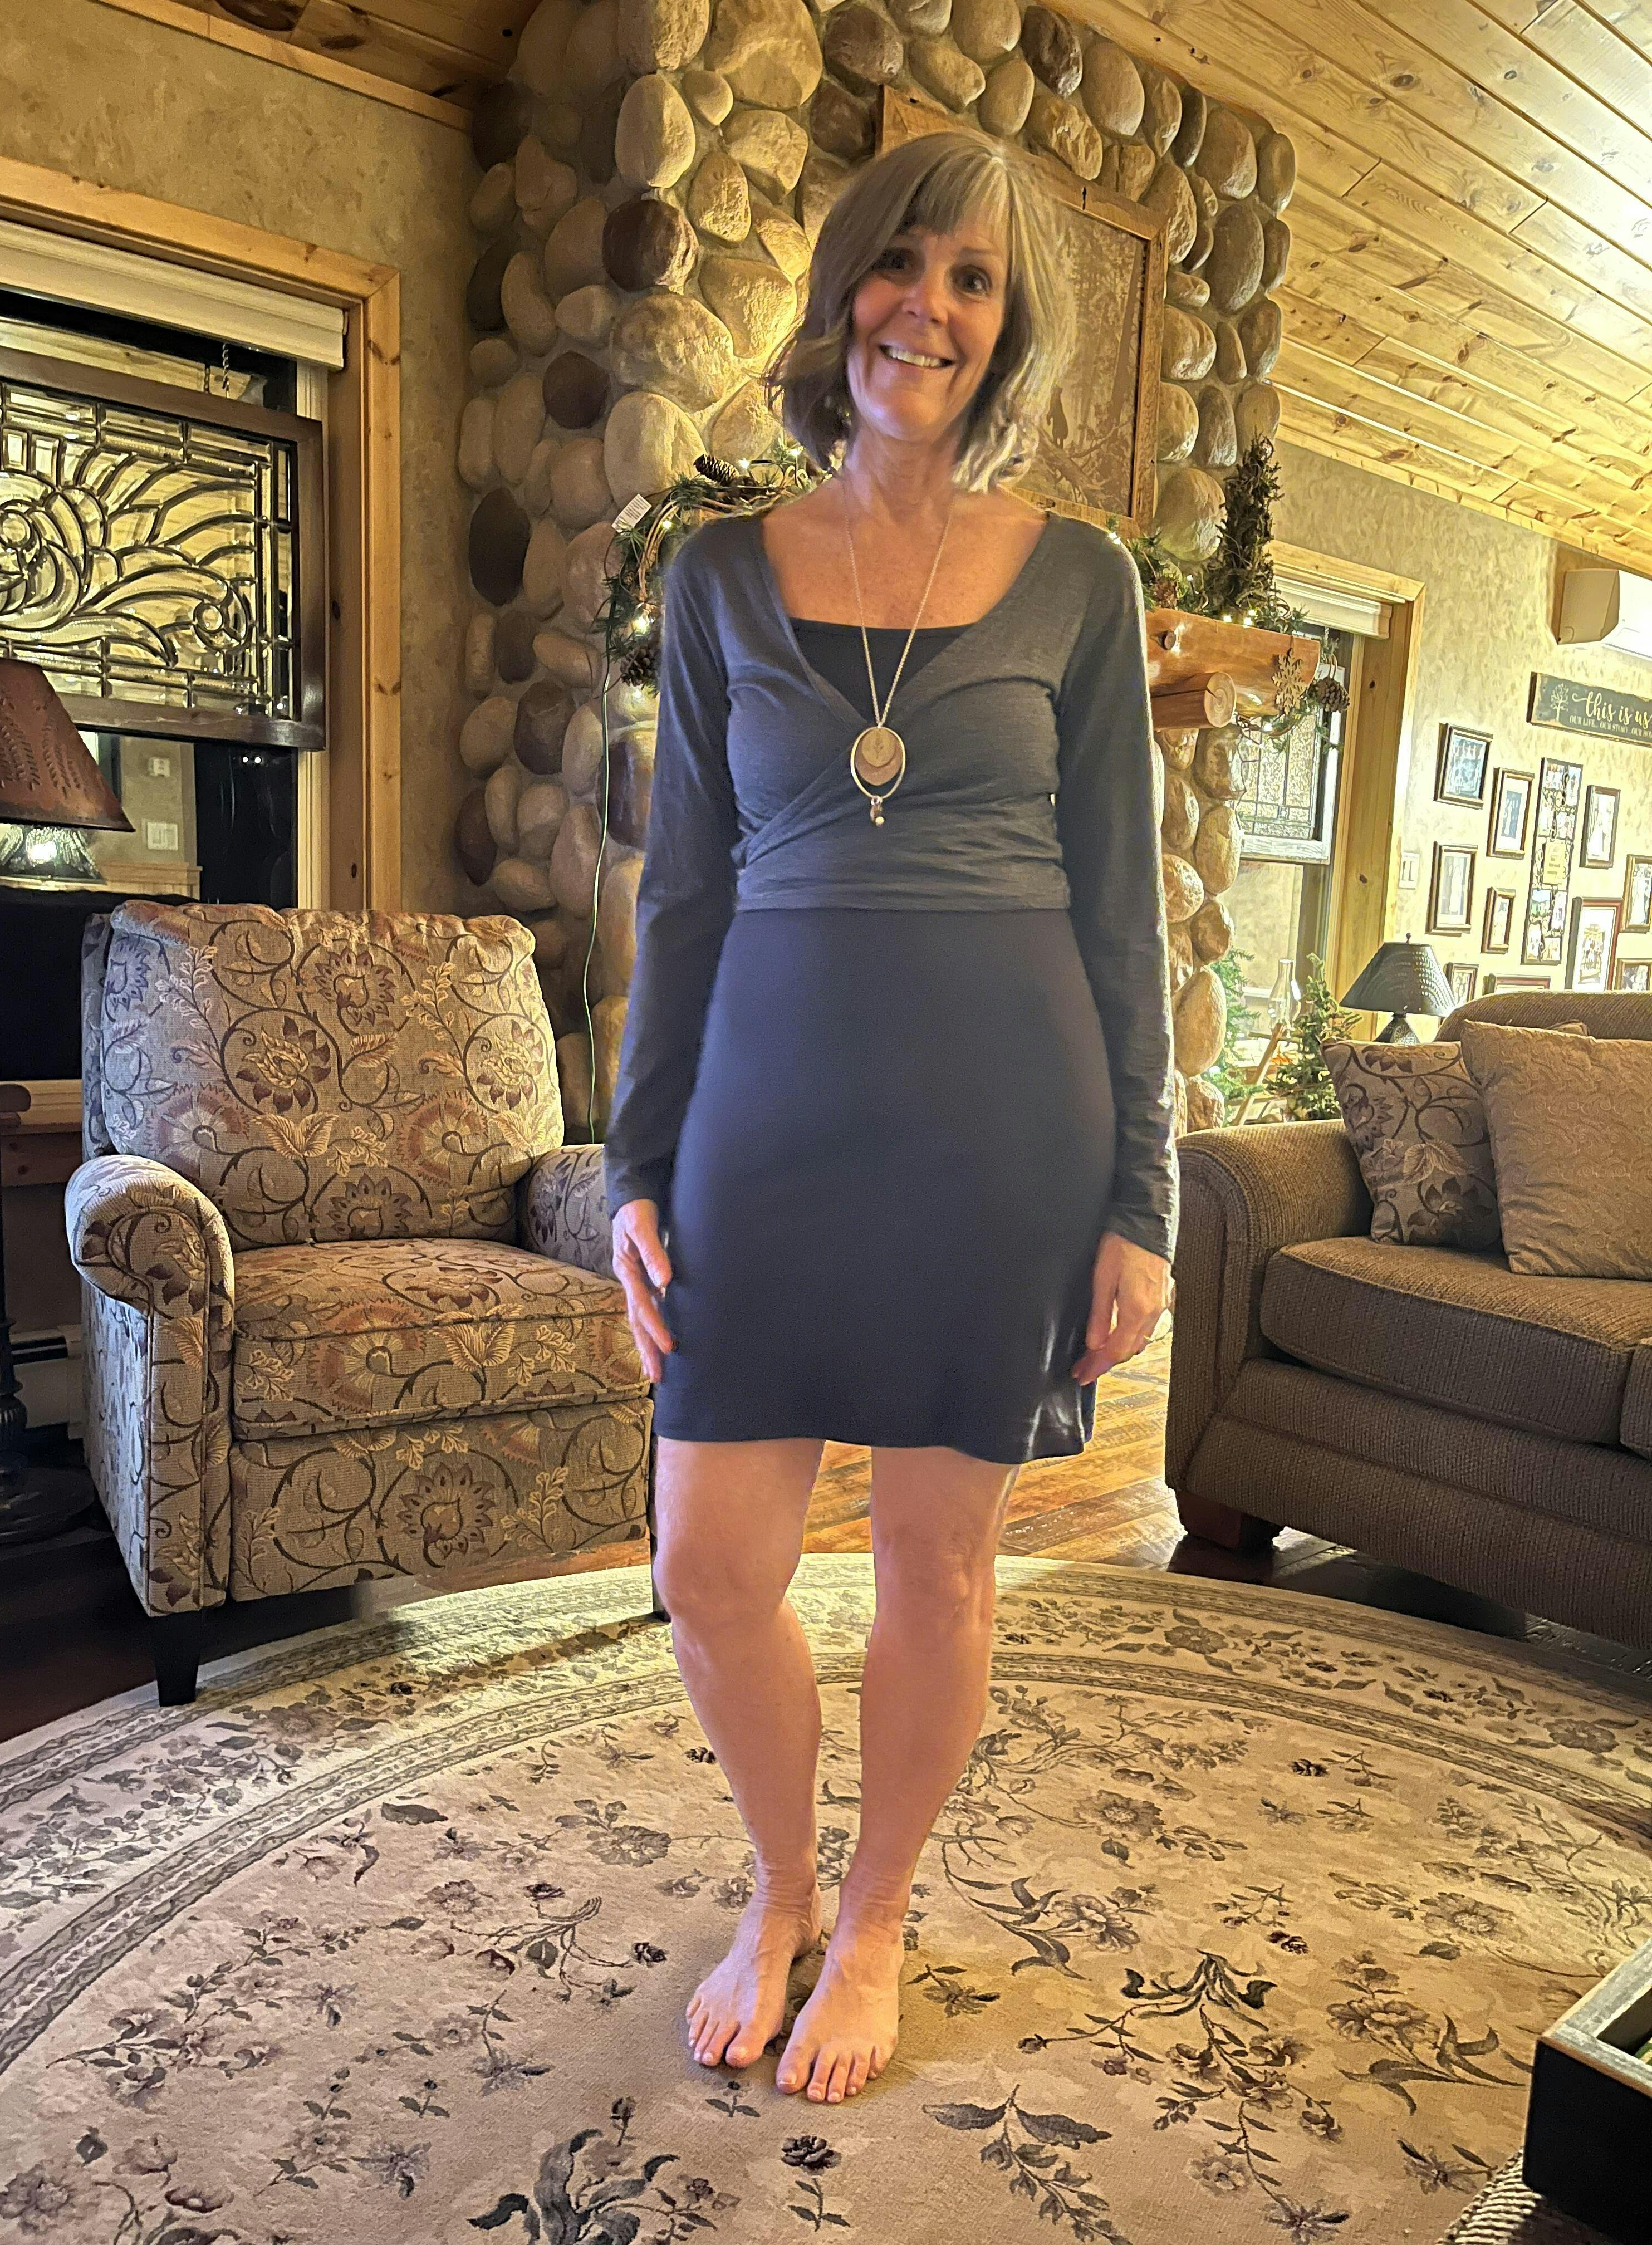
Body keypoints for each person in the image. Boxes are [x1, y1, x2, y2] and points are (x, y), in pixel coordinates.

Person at [602, 129, 1178, 2109]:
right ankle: (777, 1885)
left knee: (938, 1564)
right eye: (903, 262)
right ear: (847, 283)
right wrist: (637, 1166)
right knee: (707, 1562)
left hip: (1001, 1122)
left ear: (1007, 331)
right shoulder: (716, 576)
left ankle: (873, 1920)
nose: (929, 308)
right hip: (763, 1113)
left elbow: (1124, 910)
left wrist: (1142, 1195)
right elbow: (682, 892)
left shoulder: (1084, 580)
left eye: (976, 281)